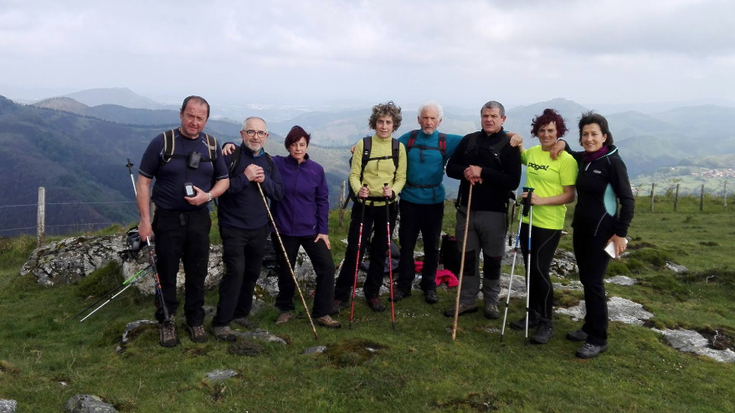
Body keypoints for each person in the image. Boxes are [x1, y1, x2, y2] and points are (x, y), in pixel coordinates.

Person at [136, 95, 230, 347]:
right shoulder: (163, 142)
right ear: (181, 114)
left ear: (206, 120)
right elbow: (144, 181)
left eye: (200, 118)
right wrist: (145, 220)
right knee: (166, 272)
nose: (194, 122)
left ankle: (194, 320)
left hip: (199, 219)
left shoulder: (211, 145)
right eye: (190, 115)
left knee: (197, 272)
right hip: (166, 219)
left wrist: (207, 196)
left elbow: (224, 180)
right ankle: (166, 322)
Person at [555, 111, 635, 358]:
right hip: (582, 229)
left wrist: (620, 234)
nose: (589, 138)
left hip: (603, 234)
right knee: (586, 281)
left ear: (605, 136)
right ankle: (589, 326)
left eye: (594, 134)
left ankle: (598, 338)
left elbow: (627, 200)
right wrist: (560, 142)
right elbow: (568, 151)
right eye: (585, 135)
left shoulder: (612, 162)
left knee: (594, 283)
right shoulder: (586, 159)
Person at [444, 101, 521, 320]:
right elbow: (450, 167)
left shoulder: (509, 146)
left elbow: (512, 181)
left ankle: (490, 302)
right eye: (485, 115)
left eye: (494, 116)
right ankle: (467, 300)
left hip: (494, 213)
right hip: (466, 209)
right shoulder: (469, 140)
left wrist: (483, 172)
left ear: (502, 119)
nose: (489, 119)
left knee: (493, 259)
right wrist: (467, 172)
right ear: (481, 117)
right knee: (467, 258)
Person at [210, 116, 284, 341]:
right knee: (235, 271)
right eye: (250, 132)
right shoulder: (230, 156)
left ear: (266, 137)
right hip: (233, 226)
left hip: (260, 227)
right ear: (242, 134)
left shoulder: (269, 162)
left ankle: (240, 313)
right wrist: (245, 178)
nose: (255, 136)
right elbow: (219, 190)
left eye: (260, 133)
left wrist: (265, 182)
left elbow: (279, 193)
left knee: (252, 272)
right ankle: (221, 322)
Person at [508, 109, 577, 344]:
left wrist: (541, 201)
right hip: (527, 219)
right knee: (529, 270)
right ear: (536, 132)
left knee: (540, 270)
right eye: (542, 130)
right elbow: (519, 154)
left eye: (551, 131)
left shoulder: (566, 159)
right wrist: (516, 139)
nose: (546, 135)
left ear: (558, 132)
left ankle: (547, 322)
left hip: (549, 223)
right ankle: (533, 315)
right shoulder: (533, 154)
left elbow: (570, 195)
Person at [333, 101, 407, 312]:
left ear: (394, 125)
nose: (384, 126)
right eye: (380, 122)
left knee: (380, 249)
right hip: (364, 205)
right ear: (374, 123)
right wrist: (358, 190)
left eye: (388, 122)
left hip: (387, 205)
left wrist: (393, 190)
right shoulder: (364, 145)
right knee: (355, 248)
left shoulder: (398, 148)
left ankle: (372, 292)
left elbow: (401, 177)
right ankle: (341, 294)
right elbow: (354, 174)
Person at [268, 125, 341, 328]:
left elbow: (322, 201)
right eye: (294, 144)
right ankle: (285, 309)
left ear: (307, 145)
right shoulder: (277, 164)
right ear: (288, 146)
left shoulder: (316, 170)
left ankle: (322, 312)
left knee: (326, 267)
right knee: (286, 270)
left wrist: (323, 230)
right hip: (283, 229)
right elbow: (255, 154)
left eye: (302, 144)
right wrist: (229, 145)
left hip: (311, 230)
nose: (298, 148)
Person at [392, 102, 463, 304]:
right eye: (425, 117)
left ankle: (429, 286)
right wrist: (360, 146)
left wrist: (509, 135)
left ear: (439, 121)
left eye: (433, 118)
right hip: (409, 200)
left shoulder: (445, 141)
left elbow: (475, 139)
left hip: (433, 202)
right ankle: (404, 286)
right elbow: (387, 147)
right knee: (407, 245)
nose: (428, 122)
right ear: (418, 119)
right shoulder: (409, 139)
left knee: (432, 246)